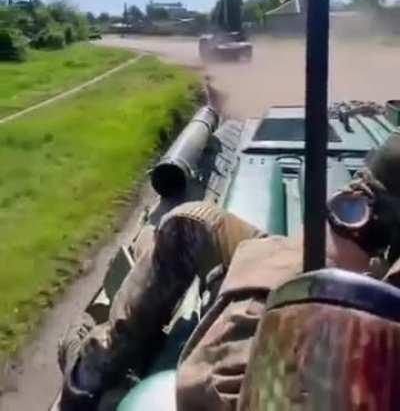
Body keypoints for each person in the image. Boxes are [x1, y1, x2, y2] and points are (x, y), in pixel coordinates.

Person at [58, 133, 400, 411]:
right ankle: (94, 368)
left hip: (356, 295)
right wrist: (363, 216)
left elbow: (207, 390)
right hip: (367, 243)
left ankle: (87, 375)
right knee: (190, 222)